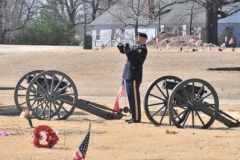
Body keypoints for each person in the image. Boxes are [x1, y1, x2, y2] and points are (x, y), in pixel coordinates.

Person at [117, 32, 148, 124]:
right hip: (129, 73)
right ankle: (133, 117)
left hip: (134, 74)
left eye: (138, 37)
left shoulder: (142, 49)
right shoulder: (135, 47)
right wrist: (121, 43)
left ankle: (137, 118)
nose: (136, 38)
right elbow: (124, 51)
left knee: (134, 97)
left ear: (143, 39)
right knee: (130, 96)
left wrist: (127, 43)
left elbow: (129, 54)